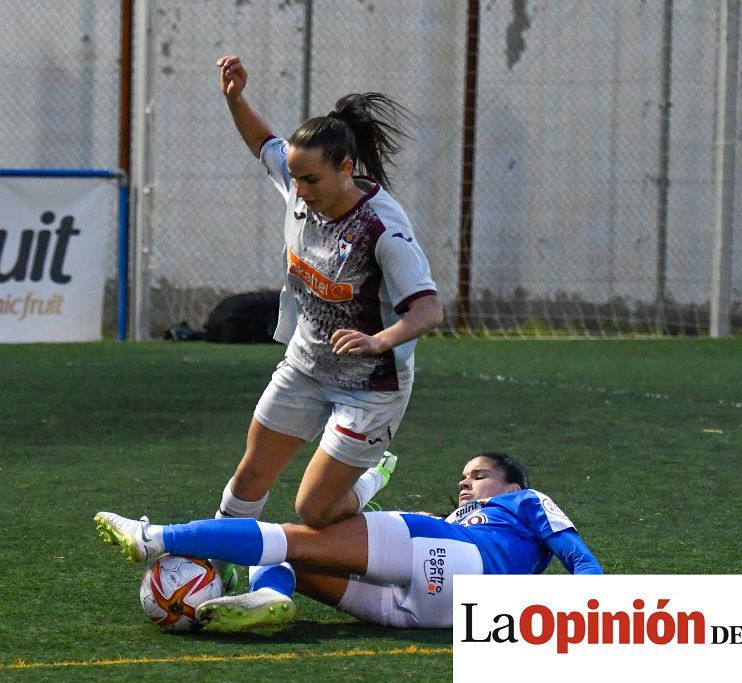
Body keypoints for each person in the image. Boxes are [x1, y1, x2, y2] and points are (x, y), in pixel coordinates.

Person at [209, 54, 443, 575]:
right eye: (296, 179)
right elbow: (262, 145)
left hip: (371, 387)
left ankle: (370, 480)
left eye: (311, 180)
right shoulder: (299, 186)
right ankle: (211, 569)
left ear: (345, 168)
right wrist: (236, 100)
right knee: (251, 477)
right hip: (306, 367)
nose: (301, 191)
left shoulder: (384, 232)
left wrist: (379, 341)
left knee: (312, 511)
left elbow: (429, 309)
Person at [95, 452, 603, 632]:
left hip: (452, 556)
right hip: (437, 614)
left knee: (287, 539)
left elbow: (578, 555)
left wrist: (593, 594)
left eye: (481, 475)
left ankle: (153, 536)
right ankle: (272, 597)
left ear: (513, 485)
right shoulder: (466, 516)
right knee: (294, 559)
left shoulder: (525, 500)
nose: (468, 484)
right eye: (464, 478)